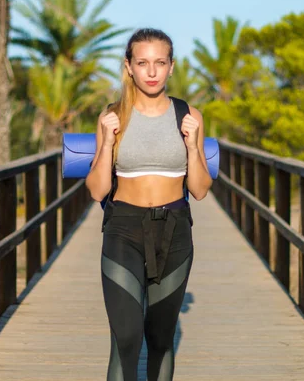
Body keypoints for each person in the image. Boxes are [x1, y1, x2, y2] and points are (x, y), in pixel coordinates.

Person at [85, 28, 213, 381]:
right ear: (129, 67)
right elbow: (97, 190)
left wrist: (192, 145)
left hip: (174, 231)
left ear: (172, 66)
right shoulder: (113, 116)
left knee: (159, 338)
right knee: (126, 336)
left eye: (160, 63)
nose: (152, 71)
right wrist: (108, 143)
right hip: (123, 229)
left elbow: (200, 190)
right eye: (143, 63)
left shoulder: (189, 116)